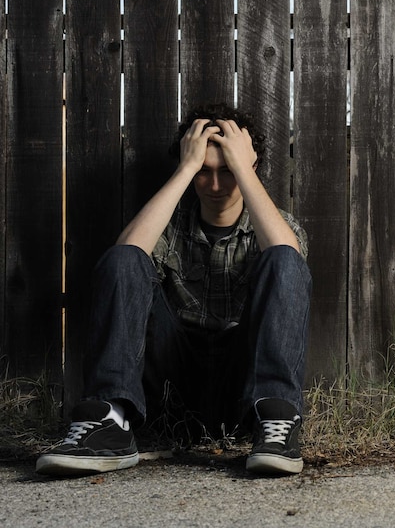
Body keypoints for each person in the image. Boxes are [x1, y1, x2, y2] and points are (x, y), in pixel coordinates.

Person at [35, 103, 311, 476]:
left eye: (227, 171)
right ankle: (110, 422)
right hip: (169, 388)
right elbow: (124, 259)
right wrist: (185, 168)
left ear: (251, 167)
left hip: (244, 393)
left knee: (283, 260)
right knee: (123, 259)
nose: (215, 186)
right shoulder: (168, 224)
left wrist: (244, 167)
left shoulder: (278, 225)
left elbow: (287, 261)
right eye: (205, 172)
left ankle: (277, 422)